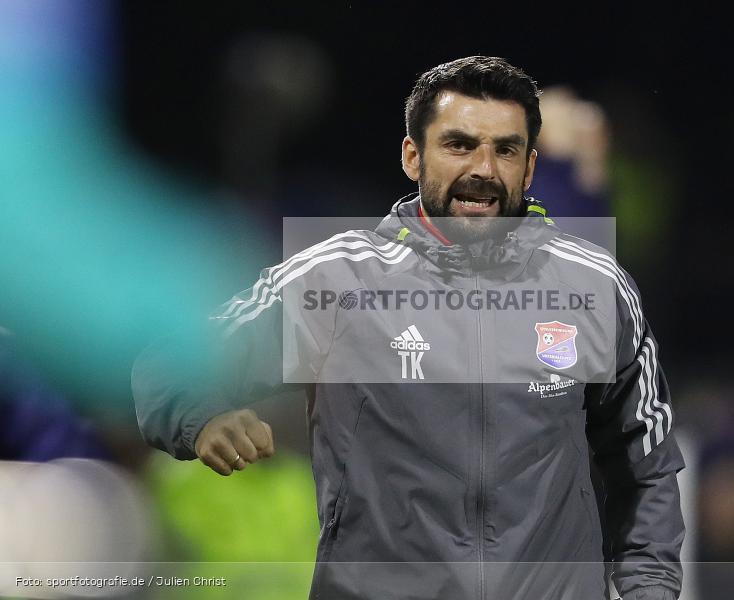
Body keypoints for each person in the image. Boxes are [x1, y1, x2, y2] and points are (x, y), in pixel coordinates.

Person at [133, 56, 685, 600]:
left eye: (506, 150)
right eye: (459, 145)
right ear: (412, 157)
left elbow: (646, 468)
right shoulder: (337, 280)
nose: (484, 171)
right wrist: (199, 420)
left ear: (530, 168)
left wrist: (649, 589)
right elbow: (166, 364)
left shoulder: (593, 285)